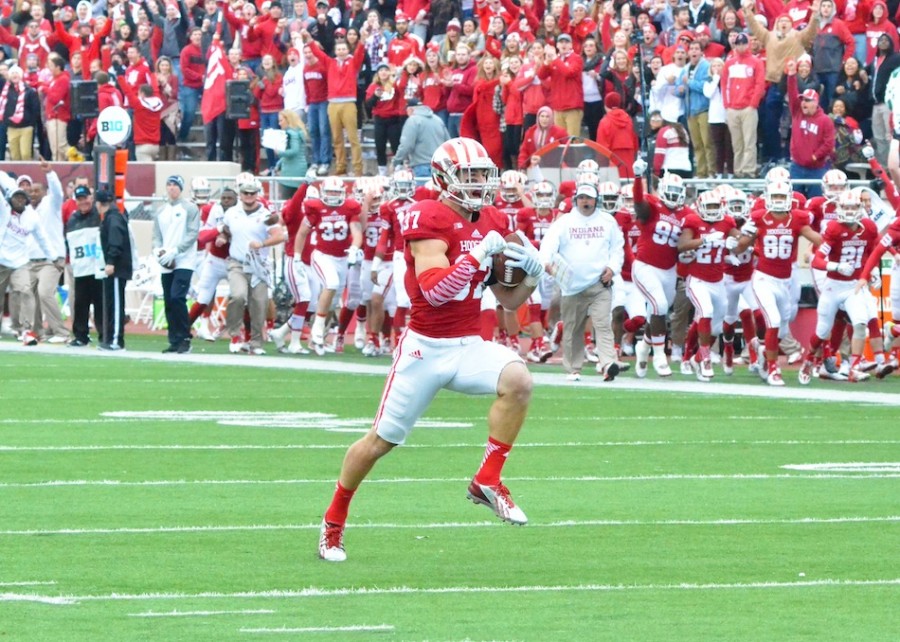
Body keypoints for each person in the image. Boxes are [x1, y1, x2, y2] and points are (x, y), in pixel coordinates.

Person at [317, 137, 545, 562]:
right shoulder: (427, 215)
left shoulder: (491, 217)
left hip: (467, 344)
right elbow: (436, 292)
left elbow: (509, 301)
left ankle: (488, 479)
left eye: (483, 175)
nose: (479, 183)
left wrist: (530, 278)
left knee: (519, 380)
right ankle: (333, 520)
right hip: (424, 349)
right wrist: (477, 255)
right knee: (381, 441)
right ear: (443, 180)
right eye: (469, 176)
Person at [539, 180, 625, 382]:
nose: (585, 202)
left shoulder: (607, 221)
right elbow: (548, 246)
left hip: (599, 283)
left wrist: (613, 268)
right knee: (573, 328)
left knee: (603, 323)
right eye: (582, 198)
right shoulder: (564, 222)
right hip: (571, 285)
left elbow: (617, 248)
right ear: (575, 199)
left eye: (589, 198)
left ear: (597, 200)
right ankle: (573, 368)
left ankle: (607, 363)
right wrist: (547, 263)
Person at [221, 177, 285, 355]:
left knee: (259, 304)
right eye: (245, 193)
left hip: (258, 265)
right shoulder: (232, 212)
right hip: (238, 263)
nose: (249, 196)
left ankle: (256, 342)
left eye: (252, 193)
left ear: (257, 194)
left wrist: (263, 244)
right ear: (240, 194)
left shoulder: (265, 214)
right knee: (238, 295)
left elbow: (280, 235)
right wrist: (222, 238)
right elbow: (225, 229)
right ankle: (235, 334)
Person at [153, 175, 200, 354]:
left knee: (177, 297)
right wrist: (158, 251)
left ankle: (185, 336)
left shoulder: (189, 208)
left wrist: (176, 250)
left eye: (175, 185)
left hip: (184, 260)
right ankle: (174, 339)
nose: (172, 188)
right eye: (169, 184)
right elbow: (156, 235)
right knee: (168, 300)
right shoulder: (161, 211)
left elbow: (192, 233)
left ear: (181, 188)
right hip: (166, 261)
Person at [26, 160, 67, 343]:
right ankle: (37, 332)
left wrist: (50, 173)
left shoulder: (52, 203)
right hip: (31, 261)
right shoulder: (26, 210)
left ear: (45, 192)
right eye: (31, 191)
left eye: (37, 191)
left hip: (51, 260)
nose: (33, 194)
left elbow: (57, 191)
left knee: (44, 292)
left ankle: (61, 332)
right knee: (29, 297)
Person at [786, 59, 836, 197]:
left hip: (817, 169)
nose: (803, 103)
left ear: (815, 102)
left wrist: (815, 156)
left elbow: (829, 143)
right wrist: (791, 75)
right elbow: (792, 93)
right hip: (796, 166)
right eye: (803, 100)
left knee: (816, 202)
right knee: (795, 201)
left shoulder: (825, 120)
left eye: (807, 100)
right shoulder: (797, 112)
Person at [64, 185, 104, 347]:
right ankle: (80, 336)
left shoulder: (99, 215)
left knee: (101, 304)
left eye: (85, 198)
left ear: (91, 198)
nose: (83, 202)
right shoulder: (73, 219)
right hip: (81, 269)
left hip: (98, 268)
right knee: (80, 304)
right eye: (79, 199)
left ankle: (104, 335)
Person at [97, 190, 133, 351]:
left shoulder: (112, 219)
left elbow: (115, 242)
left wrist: (111, 261)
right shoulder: (114, 217)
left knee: (116, 304)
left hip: (117, 269)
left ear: (98, 204)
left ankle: (116, 340)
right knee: (113, 303)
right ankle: (112, 338)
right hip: (116, 268)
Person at [393, 97, 451, 178]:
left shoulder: (412, 121)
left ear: (410, 110)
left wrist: (396, 161)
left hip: (421, 167)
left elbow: (406, 145)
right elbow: (448, 143)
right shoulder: (438, 120)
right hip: (440, 167)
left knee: (423, 190)